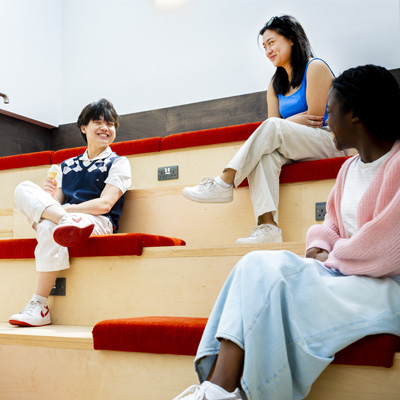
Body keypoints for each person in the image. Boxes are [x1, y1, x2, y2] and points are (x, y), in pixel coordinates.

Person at [172, 65, 400, 400]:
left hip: (386, 289)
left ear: (354, 114)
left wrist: (330, 256)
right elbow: (329, 227)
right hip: (346, 276)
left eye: (331, 112)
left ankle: (230, 392)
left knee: (278, 282)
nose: (327, 120)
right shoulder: (348, 169)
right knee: (254, 265)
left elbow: (385, 248)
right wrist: (322, 247)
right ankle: (218, 389)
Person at [182, 15, 347, 244]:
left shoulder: (315, 67)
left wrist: (287, 122)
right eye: (264, 46)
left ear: (291, 39)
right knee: (265, 155)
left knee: (271, 129)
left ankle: (225, 181)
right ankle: (268, 228)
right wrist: (294, 120)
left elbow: (315, 118)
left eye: (272, 42)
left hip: (328, 141)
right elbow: (274, 130)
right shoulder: (275, 84)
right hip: (297, 145)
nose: (268, 50)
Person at [9, 98, 132, 327]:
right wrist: (50, 196)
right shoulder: (66, 166)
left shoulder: (118, 163)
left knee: (49, 223)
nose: (105, 128)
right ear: (84, 128)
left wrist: (65, 210)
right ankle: (39, 306)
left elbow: (105, 204)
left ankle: (39, 304)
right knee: (24, 189)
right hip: (67, 221)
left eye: (110, 124)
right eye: (98, 122)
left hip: (97, 222)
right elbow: (54, 204)